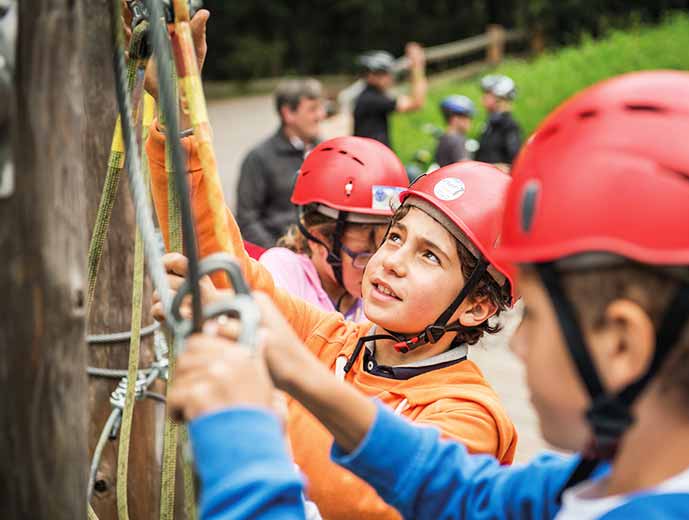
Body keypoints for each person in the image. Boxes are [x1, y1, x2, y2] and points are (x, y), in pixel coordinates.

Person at [168, 71, 689, 519]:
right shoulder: (601, 483)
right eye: (394, 239)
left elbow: (385, 501)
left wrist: (245, 430)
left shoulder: (489, 422)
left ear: (623, 341)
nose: (518, 344)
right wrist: (181, 119)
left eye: (540, 317)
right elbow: (459, 493)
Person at [147, 106, 519, 518]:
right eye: (395, 236)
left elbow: (375, 502)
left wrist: (251, 405)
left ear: (477, 306)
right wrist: (177, 113)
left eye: (429, 256)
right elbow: (226, 269)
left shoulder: (469, 414)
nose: (392, 260)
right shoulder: (333, 338)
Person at [259, 136, 408, 321]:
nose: (378, 269)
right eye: (364, 255)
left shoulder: (375, 298)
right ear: (318, 240)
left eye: (385, 250)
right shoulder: (283, 272)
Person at [235, 78, 325, 247]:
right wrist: (278, 256)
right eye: (312, 109)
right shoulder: (258, 158)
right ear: (288, 114)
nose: (321, 115)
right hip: (278, 257)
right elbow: (247, 219)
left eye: (320, 108)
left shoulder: (326, 152)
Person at [352, 45, 427, 149]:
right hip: (373, 160)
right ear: (370, 75)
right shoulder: (371, 99)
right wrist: (417, 67)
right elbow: (416, 103)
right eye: (383, 73)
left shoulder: (371, 96)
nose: (389, 77)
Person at [475, 74, 522, 172]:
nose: (483, 98)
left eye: (487, 93)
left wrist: (495, 168)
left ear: (500, 97)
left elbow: (516, 162)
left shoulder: (509, 126)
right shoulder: (489, 126)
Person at [435, 95, 475, 167]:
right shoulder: (456, 140)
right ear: (455, 119)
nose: (470, 121)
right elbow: (466, 168)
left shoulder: (445, 137)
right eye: (468, 117)